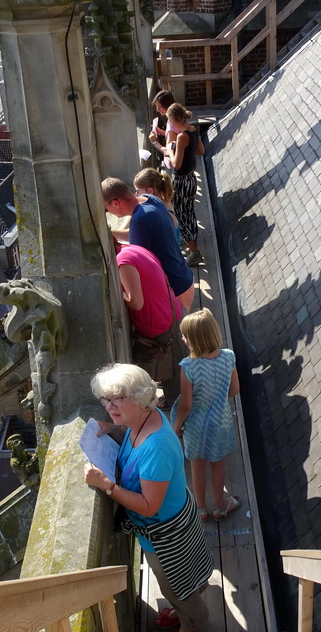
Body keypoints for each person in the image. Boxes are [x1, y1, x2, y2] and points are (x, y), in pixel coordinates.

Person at [85, 363, 212, 632]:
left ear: (140, 399)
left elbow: (148, 505)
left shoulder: (155, 446)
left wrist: (107, 486)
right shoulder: (142, 420)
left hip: (167, 534)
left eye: (117, 399)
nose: (109, 405)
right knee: (177, 581)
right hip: (170, 524)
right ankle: (181, 608)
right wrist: (113, 425)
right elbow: (132, 432)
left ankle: (191, 628)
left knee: (174, 585)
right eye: (105, 399)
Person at [171, 308, 241, 522]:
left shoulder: (188, 367)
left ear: (193, 340)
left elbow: (185, 405)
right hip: (221, 422)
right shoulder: (228, 357)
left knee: (197, 466)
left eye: (184, 335)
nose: (182, 338)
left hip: (196, 426)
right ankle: (220, 507)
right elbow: (235, 389)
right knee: (218, 464)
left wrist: (176, 426)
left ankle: (201, 510)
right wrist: (217, 399)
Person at [102, 177, 195, 311]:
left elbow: (136, 260)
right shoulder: (149, 199)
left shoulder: (140, 220)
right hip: (184, 277)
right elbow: (137, 234)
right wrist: (112, 233)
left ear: (116, 203)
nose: (108, 212)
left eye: (106, 208)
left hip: (176, 289)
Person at [116, 242, 184, 405]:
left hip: (161, 323)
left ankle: (176, 405)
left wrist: (120, 294)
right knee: (178, 361)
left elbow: (136, 302)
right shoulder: (133, 249)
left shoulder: (123, 263)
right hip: (171, 311)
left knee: (174, 370)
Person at [163, 102, 203, 267]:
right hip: (191, 179)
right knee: (189, 212)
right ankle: (192, 246)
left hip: (181, 182)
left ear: (173, 119)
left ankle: (194, 252)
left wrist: (171, 150)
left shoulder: (181, 137)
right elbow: (201, 151)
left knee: (181, 215)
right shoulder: (193, 129)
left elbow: (176, 165)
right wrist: (185, 151)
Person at [134, 167, 180, 246]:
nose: (136, 194)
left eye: (138, 191)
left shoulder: (162, 214)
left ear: (150, 191)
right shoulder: (165, 201)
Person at [149, 90, 176, 169]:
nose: (157, 110)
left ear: (168, 105)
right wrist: (162, 132)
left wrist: (154, 142)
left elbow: (168, 151)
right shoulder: (176, 118)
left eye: (160, 106)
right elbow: (175, 134)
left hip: (173, 167)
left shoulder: (172, 123)